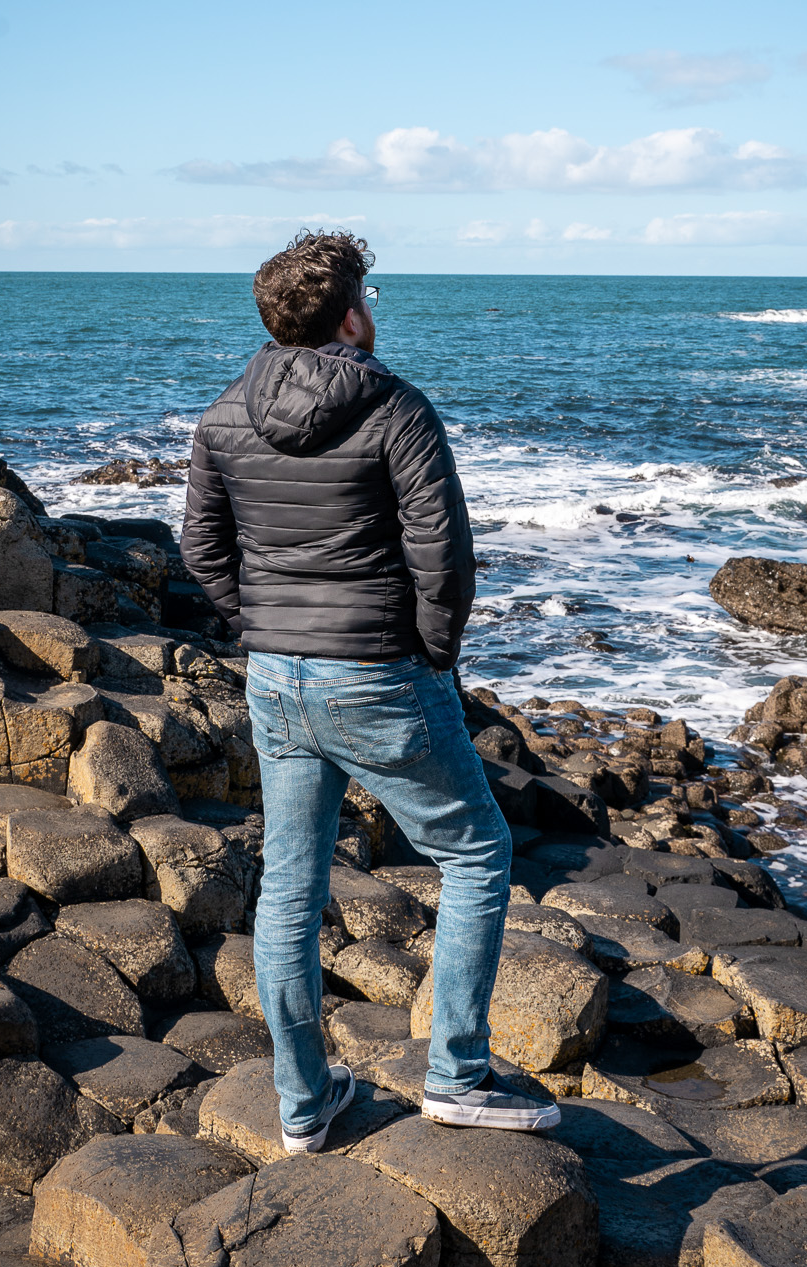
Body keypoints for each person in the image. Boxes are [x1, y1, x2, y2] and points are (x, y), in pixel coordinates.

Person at [181, 229, 559, 1152]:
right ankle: (456, 1078)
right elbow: (445, 557)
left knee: (290, 886)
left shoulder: (224, 415)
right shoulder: (395, 409)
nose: (371, 315)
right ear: (350, 314)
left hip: (276, 679)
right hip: (378, 672)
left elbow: (201, 549)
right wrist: (431, 654)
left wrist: (259, 625)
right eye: (369, 301)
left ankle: (304, 1107)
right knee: (475, 856)